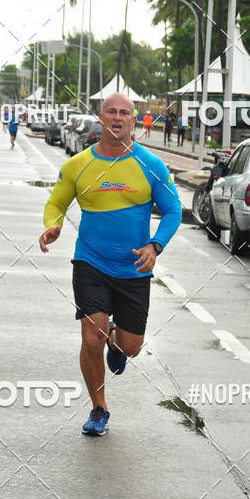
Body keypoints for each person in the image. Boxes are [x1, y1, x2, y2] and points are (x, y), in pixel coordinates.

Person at [39, 93, 182, 436]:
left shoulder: (151, 165)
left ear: (135, 121)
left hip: (134, 268)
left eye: (125, 113)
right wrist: (53, 225)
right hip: (90, 261)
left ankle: (117, 344)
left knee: (130, 347)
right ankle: (99, 408)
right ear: (100, 118)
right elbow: (56, 202)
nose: (118, 118)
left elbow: (174, 210)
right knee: (92, 336)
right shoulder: (78, 165)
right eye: (111, 112)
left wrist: (155, 244)